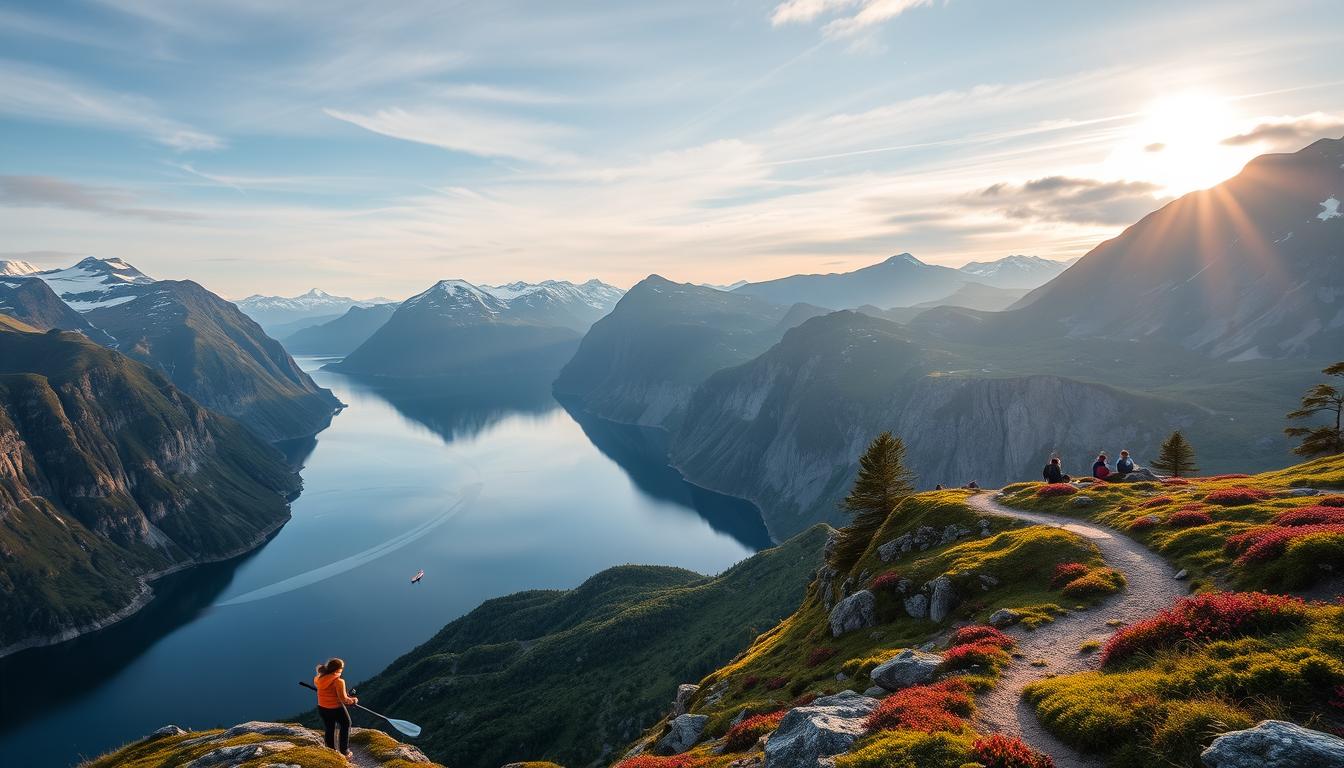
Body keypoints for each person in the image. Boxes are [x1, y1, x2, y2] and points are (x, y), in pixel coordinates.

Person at [313, 657, 358, 757]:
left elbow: (322, 687)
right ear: (338, 669)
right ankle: (344, 751)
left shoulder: (318, 678)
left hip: (322, 708)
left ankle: (330, 751)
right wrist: (353, 700)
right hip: (335, 708)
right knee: (346, 724)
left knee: (330, 728)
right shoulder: (338, 681)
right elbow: (343, 699)